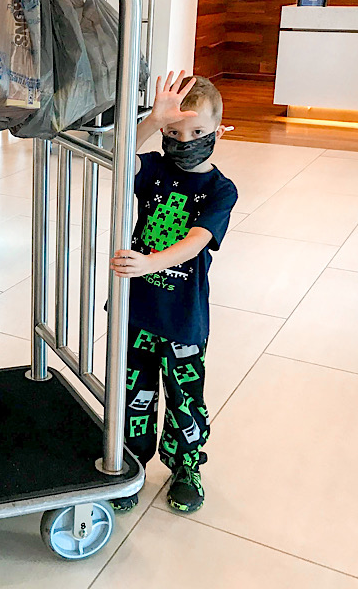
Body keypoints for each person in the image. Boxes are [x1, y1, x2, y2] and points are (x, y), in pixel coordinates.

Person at [110, 71, 238, 514]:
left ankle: (186, 465)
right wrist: (149, 120)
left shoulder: (221, 190)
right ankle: (130, 462)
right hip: (136, 312)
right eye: (174, 131)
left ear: (220, 130)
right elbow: (118, 157)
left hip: (183, 319)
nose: (186, 140)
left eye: (198, 131)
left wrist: (149, 263)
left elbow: (198, 239)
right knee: (132, 395)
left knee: (186, 400)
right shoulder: (155, 171)